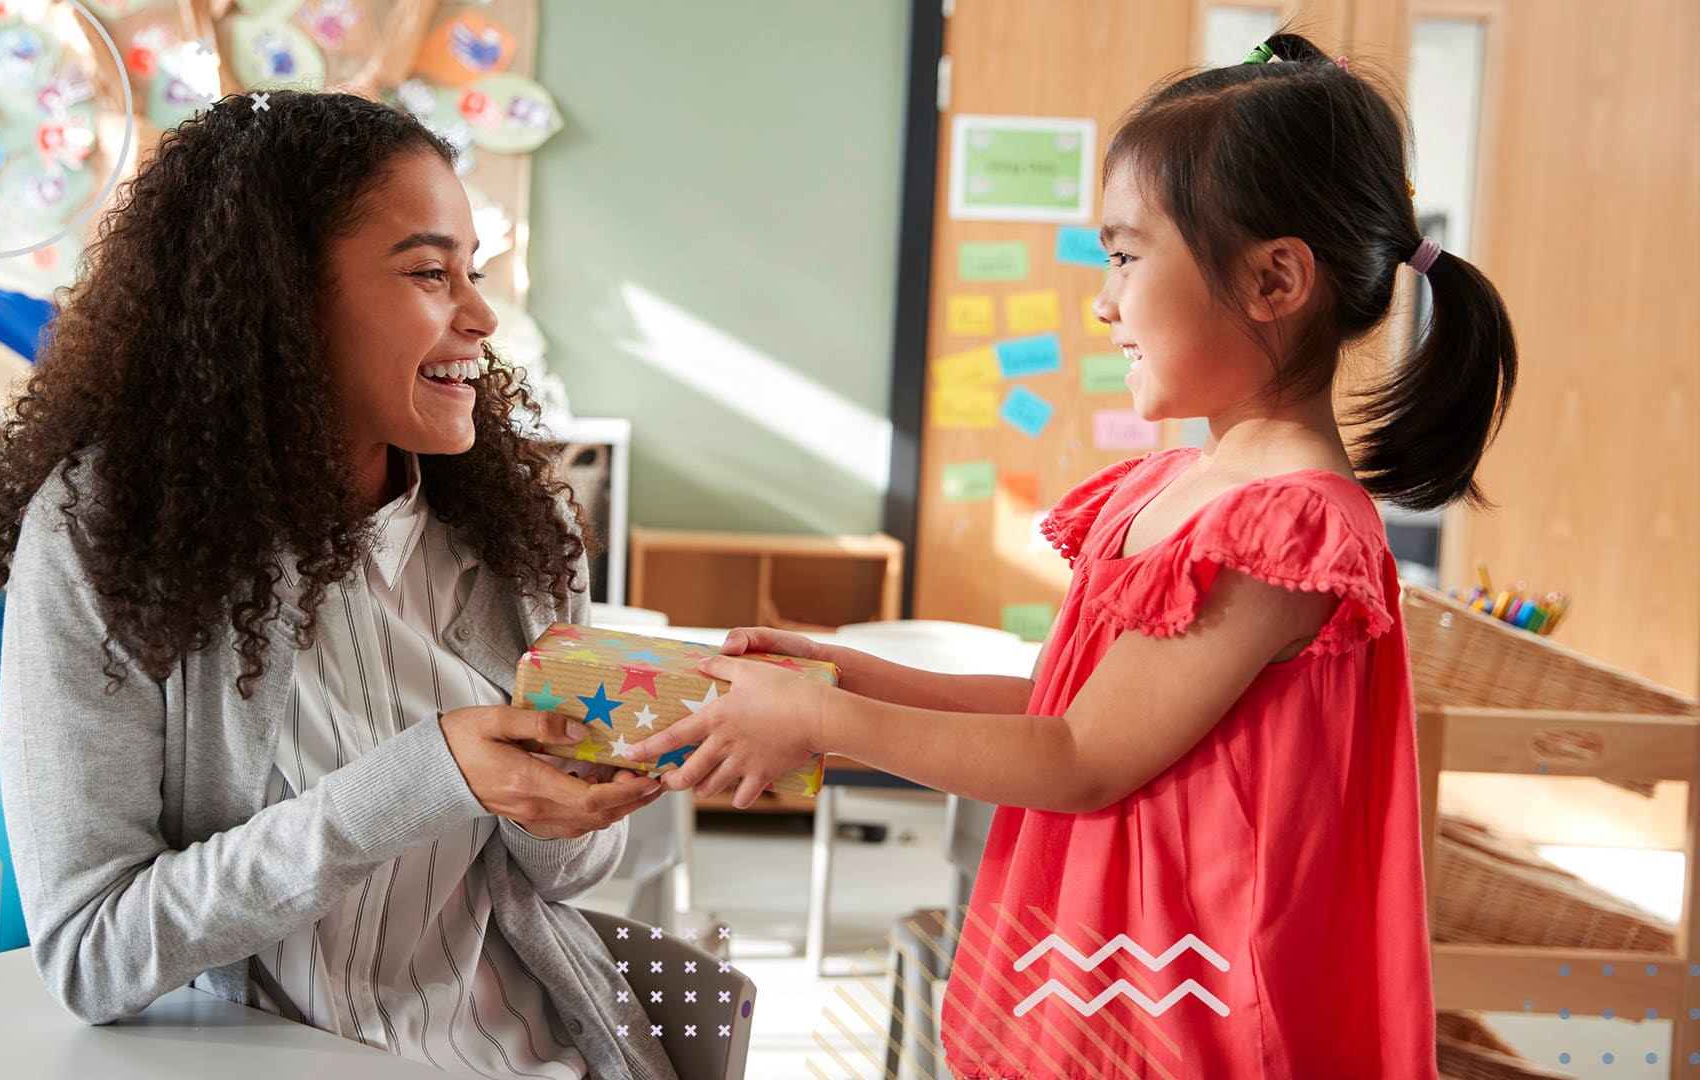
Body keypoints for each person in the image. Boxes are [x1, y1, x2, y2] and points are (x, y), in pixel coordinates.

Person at [629, 32, 1516, 1078]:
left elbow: (1085, 762)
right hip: (1100, 975)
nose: (1103, 302)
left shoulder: (1288, 533)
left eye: (1127, 256)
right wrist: (842, 677)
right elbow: (1068, 710)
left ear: (1276, 280)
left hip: (1185, 1014)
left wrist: (823, 720)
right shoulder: (1177, 490)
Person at [0, 90, 675, 1080]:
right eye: (430, 272)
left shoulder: (528, 530)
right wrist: (427, 777)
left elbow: (574, 875)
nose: (477, 315)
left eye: (474, 272)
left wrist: (561, 804)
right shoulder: (108, 536)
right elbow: (93, 955)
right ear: (283, 299)